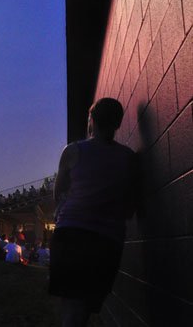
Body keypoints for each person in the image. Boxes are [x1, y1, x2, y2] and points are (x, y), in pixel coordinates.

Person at [49, 98, 138, 326]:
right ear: (118, 123)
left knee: (71, 304)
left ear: (92, 120)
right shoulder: (128, 158)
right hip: (108, 239)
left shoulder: (72, 151)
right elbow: (130, 205)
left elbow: (59, 192)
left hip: (71, 233)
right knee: (87, 305)